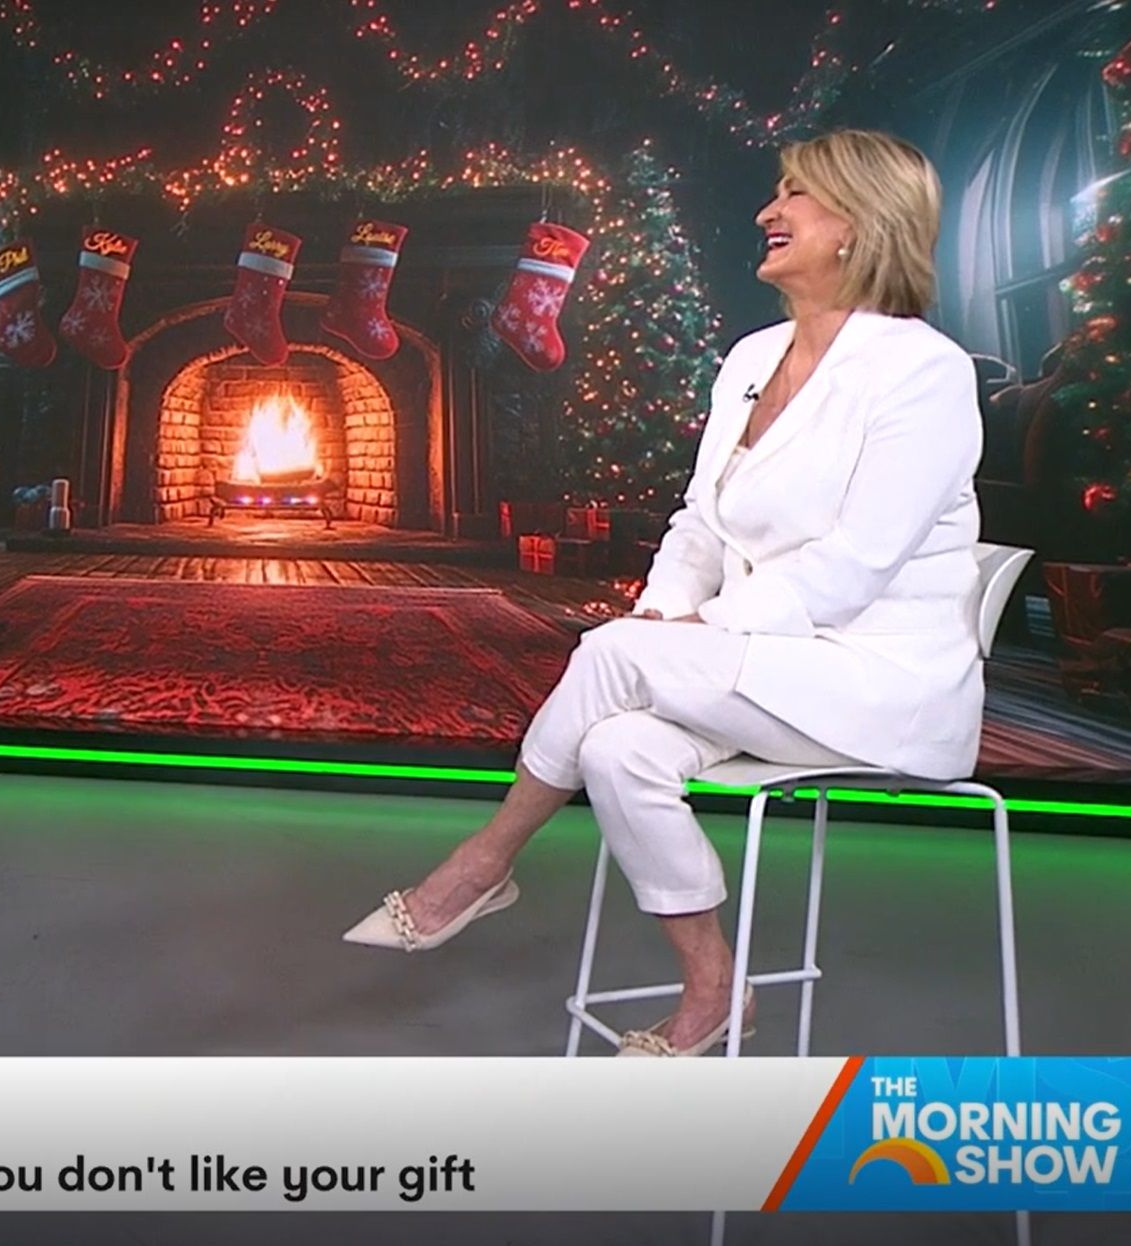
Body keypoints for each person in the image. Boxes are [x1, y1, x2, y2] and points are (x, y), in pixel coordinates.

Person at [344, 130, 985, 1057]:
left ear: (861, 222)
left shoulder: (923, 372)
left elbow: (855, 565)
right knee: (616, 748)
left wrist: (694, 628)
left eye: (796, 195)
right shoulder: (754, 357)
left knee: (610, 653)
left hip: (876, 679)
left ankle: (481, 863)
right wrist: (663, 609)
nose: (768, 212)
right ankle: (714, 991)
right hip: (763, 665)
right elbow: (701, 521)